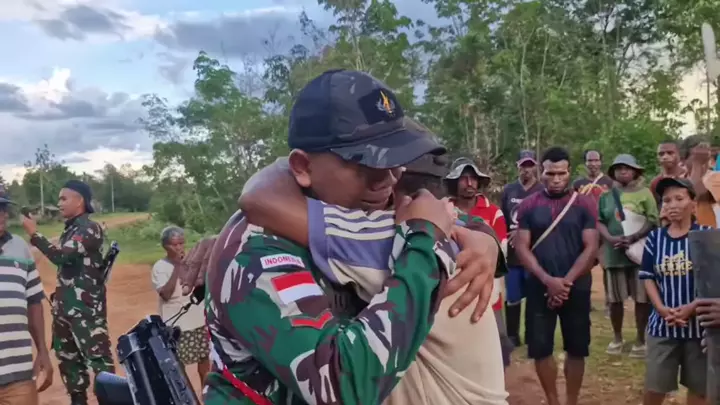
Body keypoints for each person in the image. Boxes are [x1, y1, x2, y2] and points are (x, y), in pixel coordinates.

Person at [204, 70, 469, 405]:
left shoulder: (360, 207)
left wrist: (479, 237)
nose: (388, 180)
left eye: (395, 161)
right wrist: (426, 247)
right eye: (364, 165)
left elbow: (437, 214)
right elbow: (343, 387)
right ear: (302, 167)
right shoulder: (257, 252)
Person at [238, 150, 508, 405]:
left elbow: (259, 202)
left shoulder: (383, 239)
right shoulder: (457, 233)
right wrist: (487, 238)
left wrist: (234, 232)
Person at [514, 147, 599, 405]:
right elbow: (521, 247)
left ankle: (571, 401)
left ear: (570, 171)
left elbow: (591, 247)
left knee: (577, 348)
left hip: (577, 286)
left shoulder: (585, 204)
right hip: (539, 286)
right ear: (541, 172)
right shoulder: (528, 205)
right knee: (540, 348)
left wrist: (564, 284)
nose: (556, 179)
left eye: (561, 173)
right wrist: (547, 280)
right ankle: (552, 400)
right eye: (550, 174)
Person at [21, 180, 114, 405]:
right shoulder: (71, 229)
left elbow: (61, 256)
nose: (59, 203)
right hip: (65, 310)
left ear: (79, 200)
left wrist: (34, 234)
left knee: (100, 366)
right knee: (70, 366)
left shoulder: (89, 228)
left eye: (64, 198)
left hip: (86, 312)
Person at [639, 177, 710, 405]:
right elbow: (648, 277)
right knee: (654, 387)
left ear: (693, 204)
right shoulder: (655, 238)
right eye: (667, 200)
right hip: (663, 326)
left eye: (679, 198)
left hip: (699, 328)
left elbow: (714, 281)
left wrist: (692, 307)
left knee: (700, 389)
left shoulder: (707, 236)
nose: (672, 205)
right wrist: (661, 309)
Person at [445, 157, 513, 367]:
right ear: (454, 182)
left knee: (498, 344)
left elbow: (500, 252)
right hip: (454, 288)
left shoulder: (493, 212)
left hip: (488, 288)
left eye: (473, 178)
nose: (469, 183)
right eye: (463, 178)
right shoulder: (444, 209)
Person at [597, 154, 656, 357]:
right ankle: (617, 338)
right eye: (619, 168)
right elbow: (599, 221)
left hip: (639, 254)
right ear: (613, 172)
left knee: (642, 299)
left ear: (635, 172)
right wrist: (610, 238)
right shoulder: (606, 197)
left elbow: (652, 220)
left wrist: (634, 237)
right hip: (614, 255)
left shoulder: (645, 194)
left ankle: (640, 340)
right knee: (615, 300)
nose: (623, 171)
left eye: (627, 168)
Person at [0, 193, 52, 405]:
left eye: (3, 209)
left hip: (19, 376)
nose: (3, 215)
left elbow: (34, 303)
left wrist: (42, 351)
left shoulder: (20, 247)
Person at [151, 226, 210, 388]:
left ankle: (206, 394)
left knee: (204, 361)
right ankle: (187, 396)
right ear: (165, 246)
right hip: (177, 325)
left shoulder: (192, 263)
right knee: (179, 365)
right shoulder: (160, 267)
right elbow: (166, 294)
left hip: (198, 320)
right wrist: (177, 266)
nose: (179, 248)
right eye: (174, 244)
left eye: (181, 243)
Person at [500, 149, 543, 347]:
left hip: (535, 252)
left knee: (534, 295)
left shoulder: (541, 190)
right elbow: (502, 219)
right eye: (523, 166)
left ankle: (532, 334)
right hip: (513, 254)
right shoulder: (509, 190)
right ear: (517, 166)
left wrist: (526, 233)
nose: (526, 170)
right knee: (513, 295)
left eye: (530, 165)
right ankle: (512, 335)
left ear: (535, 167)